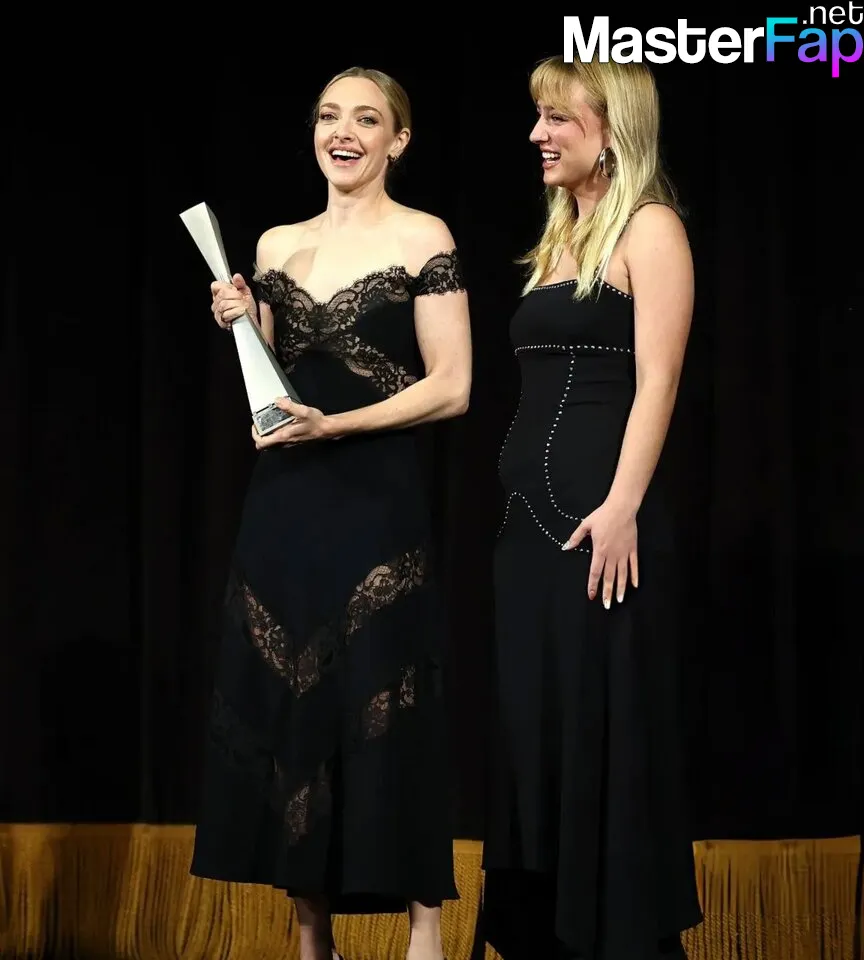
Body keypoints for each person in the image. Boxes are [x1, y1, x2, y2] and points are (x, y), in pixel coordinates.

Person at [189, 66, 472, 960]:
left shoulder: (424, 235)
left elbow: (453, 386)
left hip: (376, 503)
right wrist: (240, 320)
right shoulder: (277, 245)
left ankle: (425, 935)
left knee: (389, 700)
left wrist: (337, 424)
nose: (342, 132)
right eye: (328, 116)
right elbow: (272, 400)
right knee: (294, 704)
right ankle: (315, 943)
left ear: (399, 140)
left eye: (366, 119)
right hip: (286, 510)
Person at [480, 55, 704, 959]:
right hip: (527, 538)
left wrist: (622, 506)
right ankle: (541, 938)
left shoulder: (651, 228)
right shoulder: (558, 237)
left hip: (599, 532)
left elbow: (660, 381)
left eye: (558, 118)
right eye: (538, 117)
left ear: (611, 130)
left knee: (597, 736)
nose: (538, 134)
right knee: (534, 739)